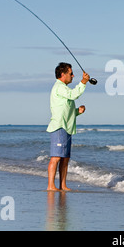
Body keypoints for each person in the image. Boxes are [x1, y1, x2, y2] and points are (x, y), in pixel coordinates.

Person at [46, 62, 90, 191]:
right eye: (71, 73)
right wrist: (83, 82)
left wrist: (77, 111)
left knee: (65, 158)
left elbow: (67, 111)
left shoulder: (63, 89)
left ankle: (63, 185)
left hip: (67, 128)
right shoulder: (59, 87)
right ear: (62, 74)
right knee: (56, 157)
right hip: (59, 127)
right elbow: (73, 95)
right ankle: (50, 186)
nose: (73, 75)